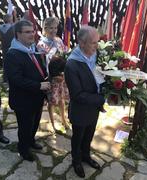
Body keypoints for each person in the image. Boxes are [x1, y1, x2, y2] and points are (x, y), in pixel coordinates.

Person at [5, 20, 50, 161]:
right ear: (18, 34)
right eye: (27, 32)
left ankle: (31, 141)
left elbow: (39, 70)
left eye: (33, 31)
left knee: (35, 122)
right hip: (23, 100)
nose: (32, 34)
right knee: (25, 127)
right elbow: (15, 80)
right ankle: (23, 149)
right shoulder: (13, 54)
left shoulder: (32, 49)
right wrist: (39, 86)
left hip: (36, 97)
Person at [64, 26, 105, 178]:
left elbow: (101, 76)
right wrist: (102, 98)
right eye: (93, 43)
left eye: (97, 42)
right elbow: (78, 95)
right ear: (81, 43)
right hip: (80, 110)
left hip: (93, 108)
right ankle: (76, 161)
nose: (97, 46)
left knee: (89, 135)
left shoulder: (96, 54)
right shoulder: (72, 64)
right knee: (78, 137)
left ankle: (86, 156)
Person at [37, 17, 69, 132]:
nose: (54, 30)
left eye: (55, 27)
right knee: (51, 102)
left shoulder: (59, 40)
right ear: (45, 28)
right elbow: (41, 63)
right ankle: (53, 123)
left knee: (61, 99)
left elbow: (65, 55)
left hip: (62, 76)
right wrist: (50, 76)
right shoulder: (41, 44)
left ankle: (64, 120)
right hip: (51, 78)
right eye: (51, 27)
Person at [0, 14, 15, 82]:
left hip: (4, 47)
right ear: (10, 19)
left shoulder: (0, 27)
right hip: (12, 47)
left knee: (5, 62)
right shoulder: (13, 27)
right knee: (13, 62)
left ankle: (6, 78)